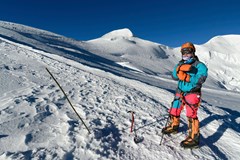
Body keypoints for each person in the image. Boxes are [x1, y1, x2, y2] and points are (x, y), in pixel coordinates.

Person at [162, 42, 208, 148]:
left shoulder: (199, 65)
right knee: (174, 109)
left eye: (188, 51)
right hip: (180, 91)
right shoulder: (180, 64)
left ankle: (194, 138)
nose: (186, 54)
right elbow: (174, 76)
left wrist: (188, 78)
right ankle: (174, 126)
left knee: (191, 114)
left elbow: (201, 78)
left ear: (193, 52)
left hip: (192, 92)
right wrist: (178, 70)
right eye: (183, 52)